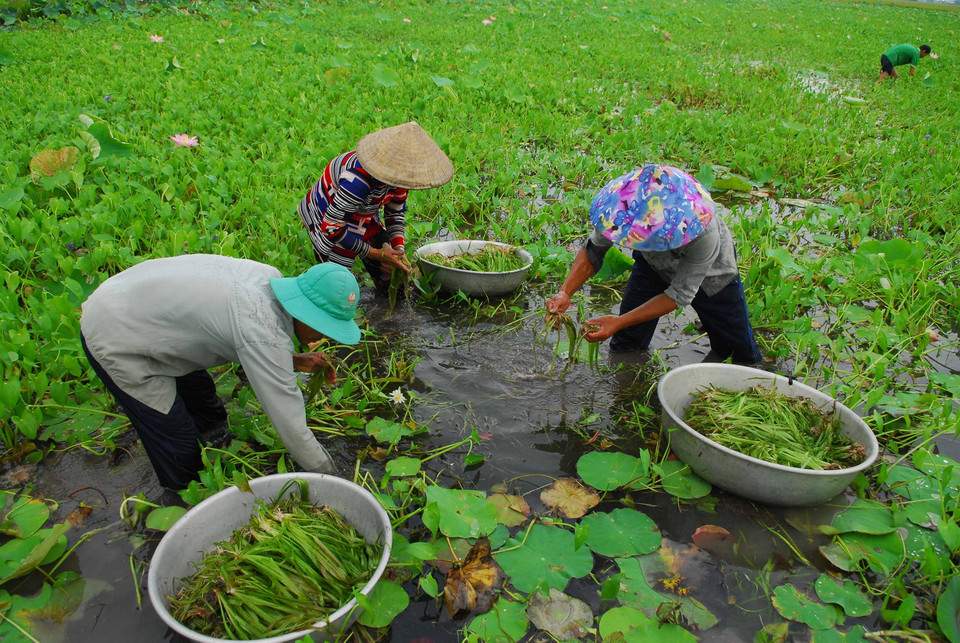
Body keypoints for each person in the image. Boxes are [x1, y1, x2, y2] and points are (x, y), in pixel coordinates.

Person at [80, 255, 362, 490]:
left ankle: (216, 449)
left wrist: (291, 359)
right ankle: (184, 504)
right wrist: (334, 478)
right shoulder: (261, 332)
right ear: (306, 314)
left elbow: (243, 330)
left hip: (140, 304)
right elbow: (293, 430)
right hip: (115, 333)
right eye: (323, 327)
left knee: (208, 410)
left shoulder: (267, 277)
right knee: (179, 451)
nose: (323, 337)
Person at [546, 165, 762, 365]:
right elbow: (594, 250)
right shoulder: (623, 206)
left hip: (713, 278)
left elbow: (680, 294)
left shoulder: (704, 232)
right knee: (626, 342)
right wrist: (565, 292)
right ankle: (627, 386)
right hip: (652, 266)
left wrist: (618, 321)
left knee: (737, 355)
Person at [297, 121, 454, 293]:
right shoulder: (357, 181)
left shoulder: (400, 177)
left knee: (395, 280)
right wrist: (375, 253)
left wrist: (397, 251)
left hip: (363, 211)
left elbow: (395, 213)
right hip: (329, 214)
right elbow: (331, 227)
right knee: (338, 287)